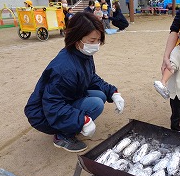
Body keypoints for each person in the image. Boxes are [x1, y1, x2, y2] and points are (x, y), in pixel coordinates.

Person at [24, 12, 125, 153]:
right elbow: (52, 105)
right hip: (43, 114)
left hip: (63, 100)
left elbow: (91, 77)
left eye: (98, 40)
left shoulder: (81, 53)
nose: (96, 45)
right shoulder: (64, 68)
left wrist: (112, 92)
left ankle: (70, 123)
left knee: (101, 96)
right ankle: (62, 136)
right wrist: (82, 121)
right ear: (78, 38)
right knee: (95, 104)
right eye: (92, 41)